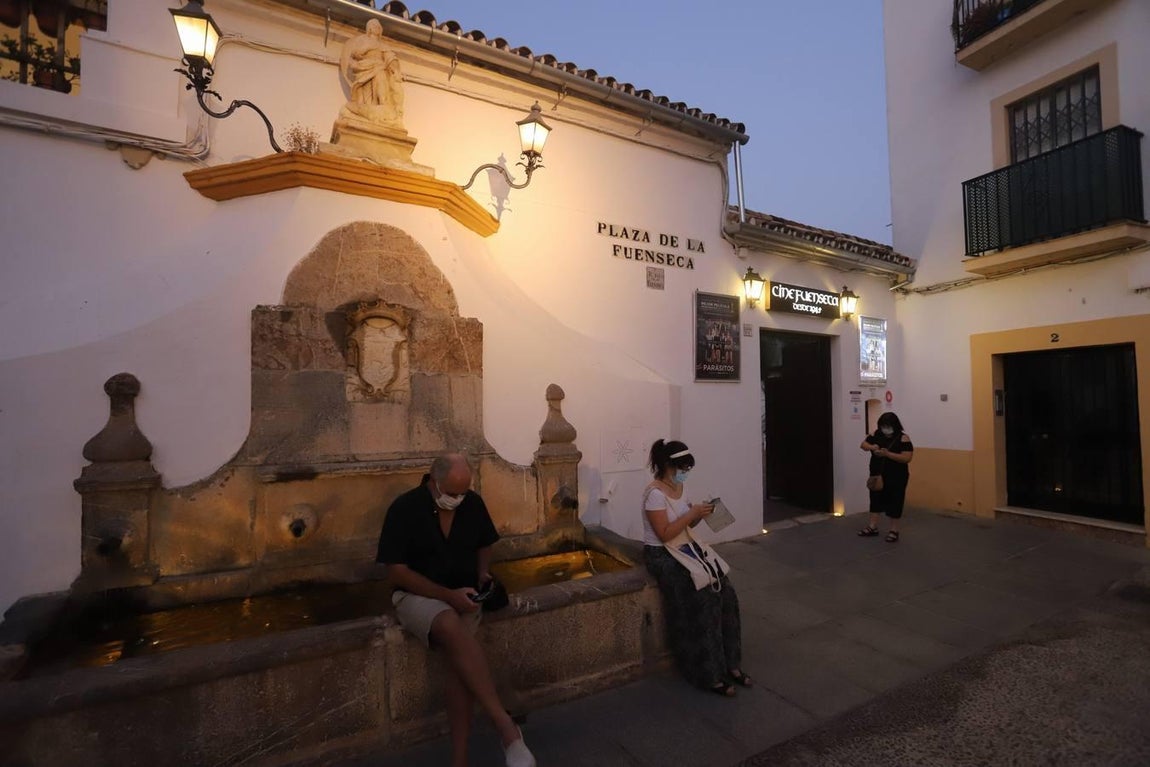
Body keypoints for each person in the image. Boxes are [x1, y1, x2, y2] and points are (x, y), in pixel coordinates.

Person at [377, 453, 535, 767]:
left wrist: (482, 572)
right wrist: (446, 595)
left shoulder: (471, 503)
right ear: (433, 482)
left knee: (458, 668)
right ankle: (505, 726)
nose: (458, 499)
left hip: (465, 594)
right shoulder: (405, 508)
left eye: (463, 493)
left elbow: (486, 541)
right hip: (418, 595)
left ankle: (459, 760)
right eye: (452, 493)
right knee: (449, 625)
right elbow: (396, 572)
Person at [641, 439, 750, 697]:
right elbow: (665, 534)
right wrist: (690, 515)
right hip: (662, 554)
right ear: (668, 465)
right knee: (704, 597)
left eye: (688, 468)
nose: (686, 473)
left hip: (685, 547)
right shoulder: (654, 494)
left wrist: (699, 516)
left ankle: (731, 663)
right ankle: (709, 672)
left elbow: (685, 527)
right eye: (683, 468)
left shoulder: (679, 486)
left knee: (727, 593)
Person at [858, 412, 914, 542]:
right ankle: (873, 526)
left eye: (887, 426)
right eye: (883, 426)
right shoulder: (876, 434)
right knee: (875, 499)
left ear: (894, 425)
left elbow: (907, 457)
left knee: (895, 501)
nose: (885, 429)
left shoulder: (903, 438)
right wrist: (873, 447)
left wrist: (887, 454)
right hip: (877, 475)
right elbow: (863, 445)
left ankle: (894, 530)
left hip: (897, 476)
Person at [339, 18, 405, 127]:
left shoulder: (383, 46)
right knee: (365, 95)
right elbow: (354, 56)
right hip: (364, 68)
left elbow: (390, 57)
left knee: (381, 75)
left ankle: (382, 103)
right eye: (374, 26)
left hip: (379, 68)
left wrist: (394, 68)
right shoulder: (363, 42)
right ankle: (366, 106)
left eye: (379, 26)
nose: (377, 28)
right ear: (369, 28)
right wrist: (356, 62)